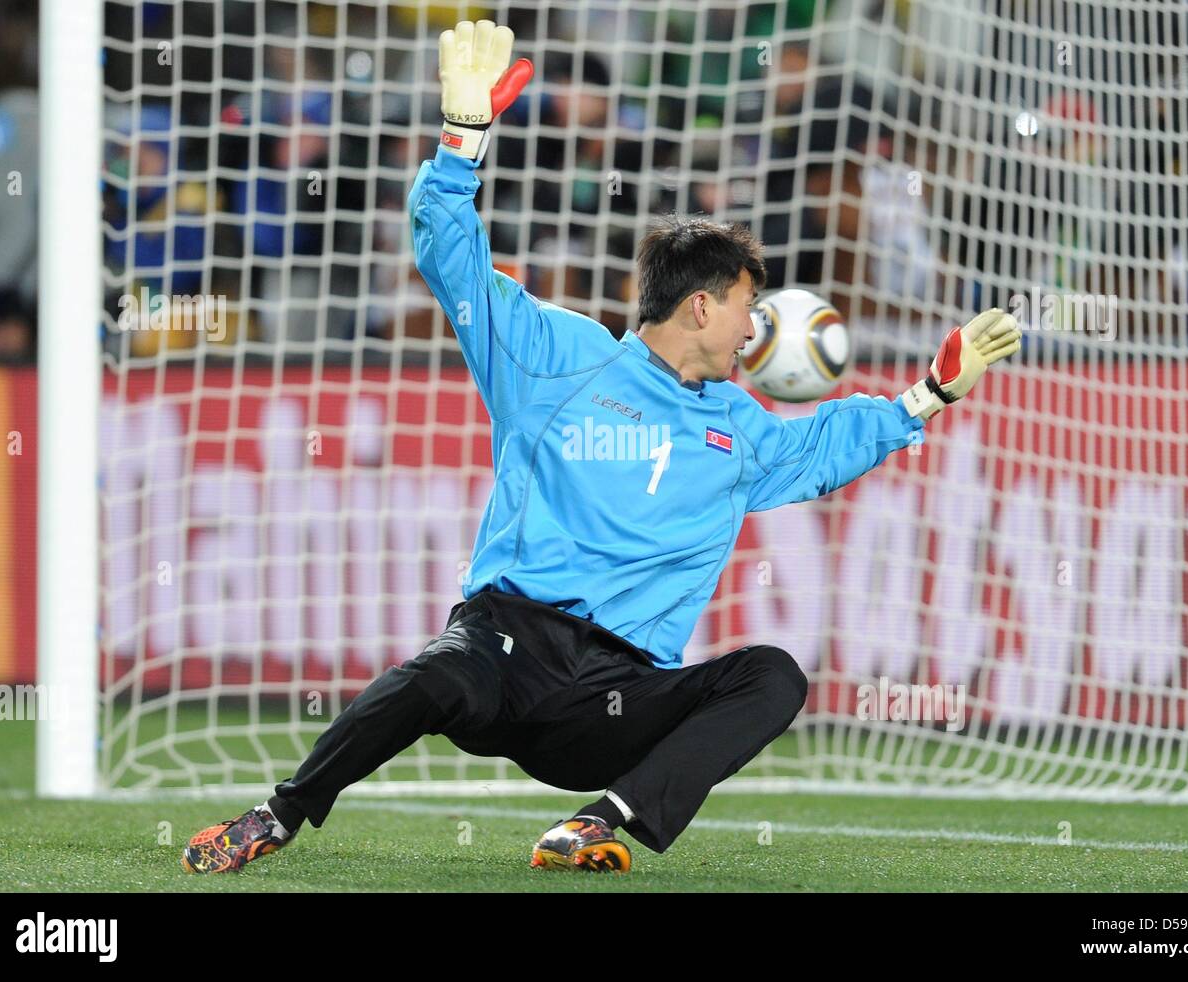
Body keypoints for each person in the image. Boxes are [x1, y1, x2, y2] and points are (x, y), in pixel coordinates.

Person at [182, 20, 1020, 875]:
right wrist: (461, 143)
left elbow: (825, 446)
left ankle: (599, 822)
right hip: (502, 649)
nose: (753, 327)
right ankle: (279, 813)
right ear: (699, 307)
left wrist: (927, 396)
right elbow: (452, 258)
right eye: (745, 305)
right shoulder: (557, 355)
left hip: (610, 701)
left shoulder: (739, 428)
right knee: (432, 677)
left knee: (771, 676)